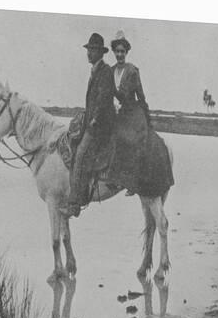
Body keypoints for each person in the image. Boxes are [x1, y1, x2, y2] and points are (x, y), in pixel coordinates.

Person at [59, 33, 116, 218]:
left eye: (92, 50)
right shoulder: (95, 71)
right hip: (93, 123)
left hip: (100, 127)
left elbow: (104, 99)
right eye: (88, 50)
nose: (89, 53)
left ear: (100, 52)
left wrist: (94, 120)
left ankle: (74, 204)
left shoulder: (105, 72)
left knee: (82, 154)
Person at [108, 30, 151, 196]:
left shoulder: (132, 70)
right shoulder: (110, 71)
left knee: (126, 139)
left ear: (126, 52)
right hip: (114, 112)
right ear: (114, 52)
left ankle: (131, 182)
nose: (120, 54)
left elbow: (140, 95)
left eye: (122, 51)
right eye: (117, 51)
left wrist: (146, 117)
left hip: (130, 112)